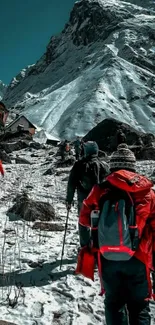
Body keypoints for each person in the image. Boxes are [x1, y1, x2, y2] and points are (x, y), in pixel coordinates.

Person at [78, 143, 155, 325]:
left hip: (107, 256)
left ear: (112, 166)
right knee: (139, 306)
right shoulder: (147, 193)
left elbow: (84, 219)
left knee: (114, 304)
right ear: (133, 166)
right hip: (139, 258)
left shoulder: (100, 190)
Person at [66, 141, 109, 214]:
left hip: (84, 199)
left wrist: (69, 200)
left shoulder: (79, 165)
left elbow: (71, 184)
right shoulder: (104, 165)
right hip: (100, 200)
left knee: (83, 221)